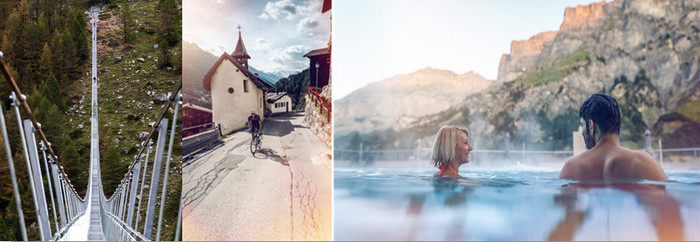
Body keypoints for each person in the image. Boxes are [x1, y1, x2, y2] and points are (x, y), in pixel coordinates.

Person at [559, 94, 666, 181]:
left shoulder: (572, 167)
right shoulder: (642, 162)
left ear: (591, 126)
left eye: (582, 125)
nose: (582, 132)